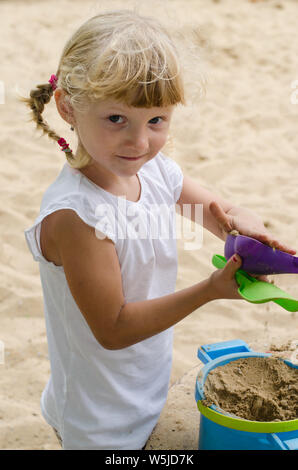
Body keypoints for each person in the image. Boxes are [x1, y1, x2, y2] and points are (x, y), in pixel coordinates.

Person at [22, 10, 295, 450]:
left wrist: (244, 223)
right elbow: (113, 328)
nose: (139, 142)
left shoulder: (155, 172)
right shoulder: (78, 217)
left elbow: (215, 210)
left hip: (144, 391)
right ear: (69, 107)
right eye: (116, 120)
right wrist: (209, 290)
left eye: (156, 121)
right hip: (99, 423)